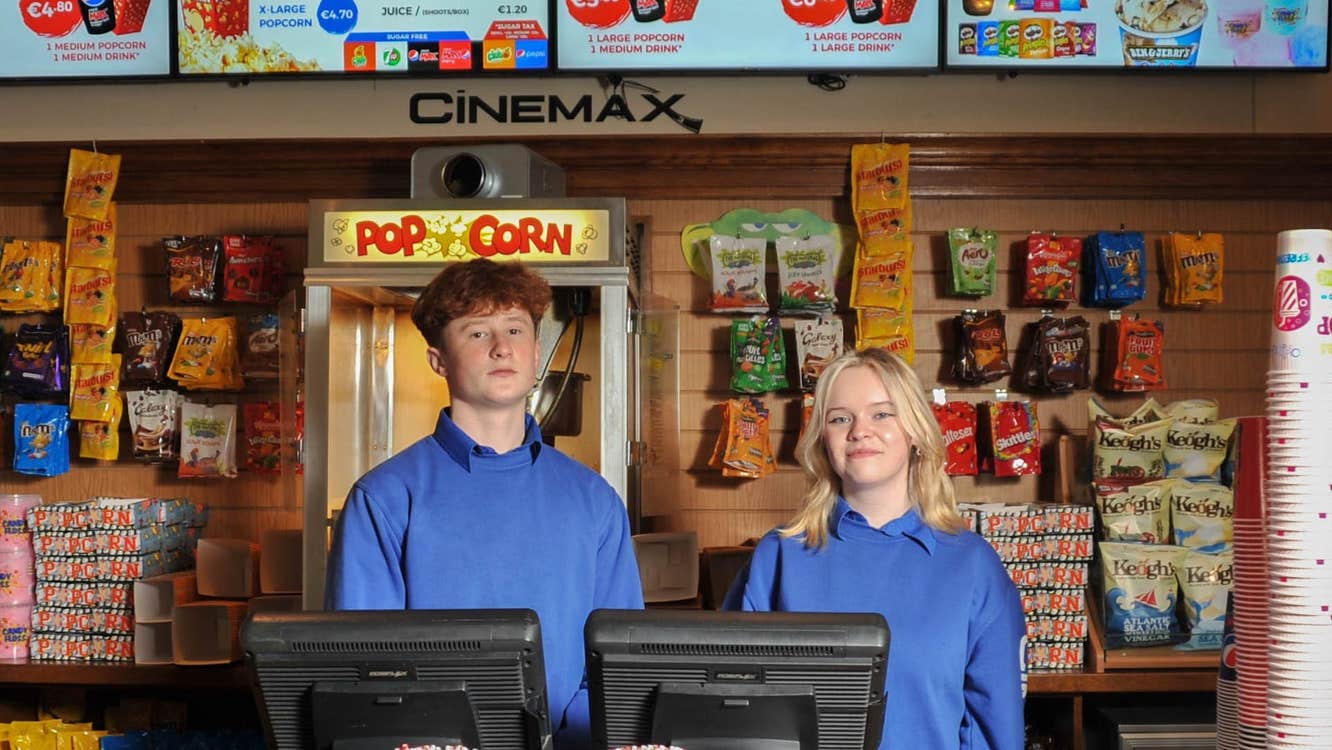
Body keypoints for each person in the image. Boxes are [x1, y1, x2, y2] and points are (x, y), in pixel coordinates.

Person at [325, 258, 644, 750]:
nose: (501, 347)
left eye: (515, 329)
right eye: (476, 333)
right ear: (438, 360)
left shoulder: (594, 498)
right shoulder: (384, 499)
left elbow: (621, 661)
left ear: (537, 352)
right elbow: (364, 671)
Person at [724, 348, 1025, 750]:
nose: (859, 430)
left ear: (915, 430)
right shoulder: (778, 556)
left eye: (882, 413)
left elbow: (996, 728)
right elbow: (730, 708)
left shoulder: (972, 565)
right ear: (822, 440)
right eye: (840, 418)